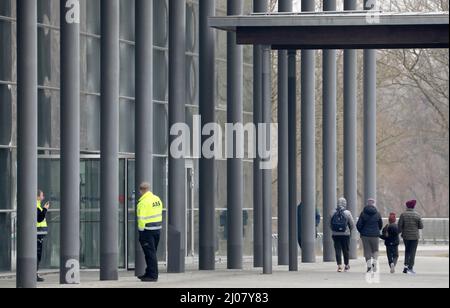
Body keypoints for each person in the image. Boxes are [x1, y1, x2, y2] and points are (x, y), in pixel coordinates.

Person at [137, 182, 163, 282]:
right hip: (157, 230)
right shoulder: (157, 199)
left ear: (141, 190)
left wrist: (141, 231)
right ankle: (148, 272)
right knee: (152, 253)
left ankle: (152, 276)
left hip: (147, 231)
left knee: (150, 254)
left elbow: (141, 219)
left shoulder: (143, 202)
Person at [357, 199, 383, 273]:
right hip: (375, 235)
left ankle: (369, 267)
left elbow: (358, 225)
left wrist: (361, 231)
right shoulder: (377, 214)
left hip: (365, 236)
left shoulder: (363, 213)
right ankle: (374, 263)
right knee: (375, 250)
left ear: (367, 204)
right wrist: (377, 230)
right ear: (374, 204)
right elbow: (380, 224)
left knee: (367, 251)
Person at [398, 200, 424, 275]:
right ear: (413, 206)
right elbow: (421, 226)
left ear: (407, 206)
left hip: (406, 236)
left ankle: (405, 266)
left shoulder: (403, 215)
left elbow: (400, 226)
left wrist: (399, 232)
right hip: (415, 237)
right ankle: (410, 267)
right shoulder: (417, 215)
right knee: (412, 252)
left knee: (407, 250)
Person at [331, 198, 355, 273]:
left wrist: (334, 230)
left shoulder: (332, 212)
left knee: (337, 249)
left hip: (335, 234)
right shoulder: (348, 213)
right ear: (345, 204)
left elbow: (329, 224)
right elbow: (352, 224)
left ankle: (339, 266)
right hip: (345, 234)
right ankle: (346, 265)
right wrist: (349, 230)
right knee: (345, 250)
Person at [37, 190, 50, 282]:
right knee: (37, 255)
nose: (43, 197)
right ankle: (34, 274)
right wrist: (45, 209)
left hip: (39, 235)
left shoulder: (38, 206)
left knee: (38, 255)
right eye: (42, 195)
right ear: (37, 196)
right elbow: (39, 219)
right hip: (37, 235)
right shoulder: (36, 206)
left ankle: (35, 274)